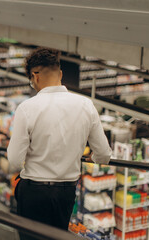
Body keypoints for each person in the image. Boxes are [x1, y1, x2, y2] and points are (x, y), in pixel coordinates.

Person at [7, 47, 112, 232]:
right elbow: (104, 154)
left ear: (35, 77)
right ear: (61, 74)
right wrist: (93, 159)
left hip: (34, 192)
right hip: (66, 192)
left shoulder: (27, 108)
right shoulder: (86, 105)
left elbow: (14, 160)